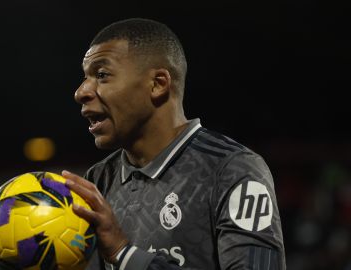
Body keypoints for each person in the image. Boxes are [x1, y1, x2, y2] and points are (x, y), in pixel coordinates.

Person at [62, 18, 285, 270]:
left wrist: (123, 254)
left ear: (158, 84)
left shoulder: (232, 170)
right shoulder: (99, 179)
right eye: (85, 77)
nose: (81, 92)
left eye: (102, 75)